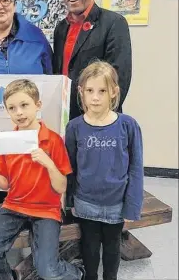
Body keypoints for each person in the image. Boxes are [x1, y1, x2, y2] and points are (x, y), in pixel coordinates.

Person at [0, 79, 84, 280]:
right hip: (14, 206)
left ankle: (77, 273)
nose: (19, 112)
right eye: (12, 108)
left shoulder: (53, 140)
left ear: (38, 105)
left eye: (24, 105)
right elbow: (6, 184)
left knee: (48, 271)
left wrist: (49, 164)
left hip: (46, 210)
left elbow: (61, 186)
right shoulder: (6, 141)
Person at [65, 61, 144, 280]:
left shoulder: (128, 125)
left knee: (111, 250)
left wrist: (132, 208)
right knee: (89, 249)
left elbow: (136, 168)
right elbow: (69, 168)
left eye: (102, 91)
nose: (95, 97)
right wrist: (69, 201)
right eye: (90, 91)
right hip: (85, 203)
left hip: (116, 205)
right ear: (81, 92)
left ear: (114, 92)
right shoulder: (74, 127)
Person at [53, 0, 132, 120]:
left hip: (99, 121)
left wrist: (97, 120)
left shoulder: (114, 23)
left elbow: (119, 78)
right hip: (65, 119)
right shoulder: (60, 28)